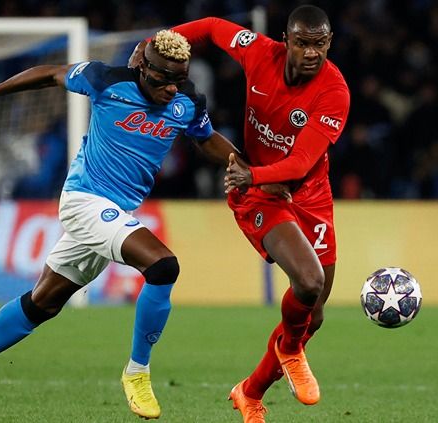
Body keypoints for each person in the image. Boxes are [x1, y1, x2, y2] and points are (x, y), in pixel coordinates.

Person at [0, 30, 244, 422]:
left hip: (116, 214)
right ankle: (138, 372)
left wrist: (249, 168)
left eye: (177, 80)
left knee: (42, 304)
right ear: (141, 66)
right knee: (163, 266)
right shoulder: (106, 80)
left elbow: (207, 139)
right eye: (161, 79)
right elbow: (49, 74)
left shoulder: (187, 101)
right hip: (84, 201)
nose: (169, 89)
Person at [134, 6, 350, 422]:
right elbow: (213, 28)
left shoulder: (334, 91)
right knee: (308, 281)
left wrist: (252, 172)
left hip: (309, 195)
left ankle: (249, 393)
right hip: (259, 195)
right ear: (286, 40)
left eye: (319, 45)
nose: (311, 53)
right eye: (302, 43)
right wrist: (154, 43)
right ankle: (288, 351)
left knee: (314, 312)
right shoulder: (259, 53)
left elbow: (303, 162)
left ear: (329, 43)